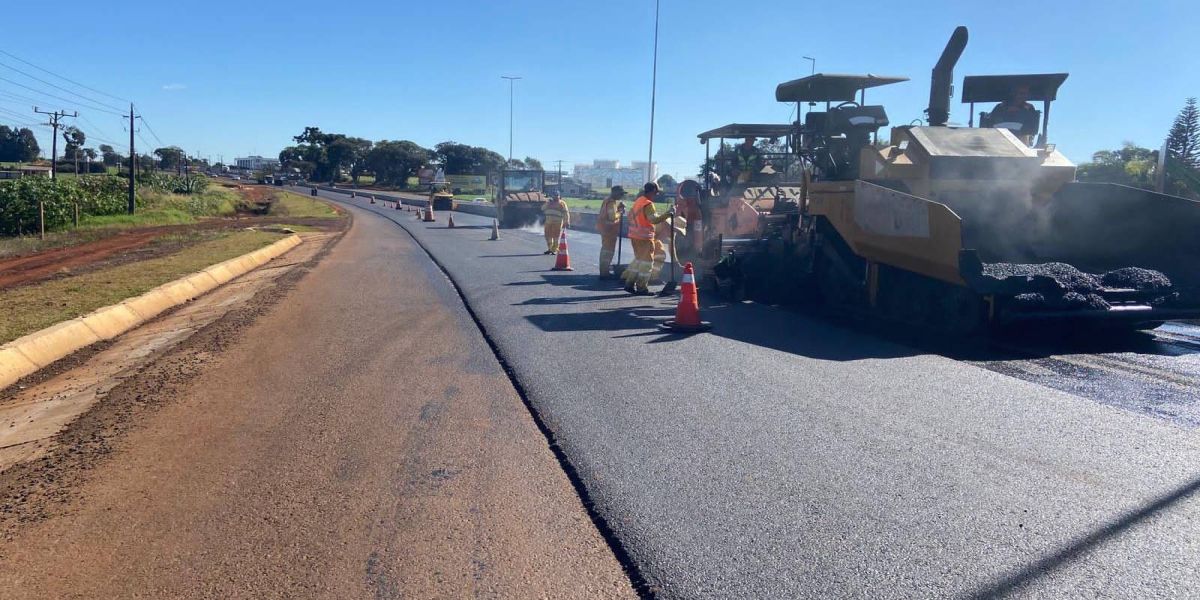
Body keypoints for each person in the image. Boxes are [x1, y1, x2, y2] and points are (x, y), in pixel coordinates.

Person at [622, 182, 674, 295]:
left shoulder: (639, 201)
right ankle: (642, 288)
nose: (656, 195)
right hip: (644, 238)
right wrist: (668, 214)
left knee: (638, 260)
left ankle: (629, 284)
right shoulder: (648, 204)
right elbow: (653, 220)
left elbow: (632, 215)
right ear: (652, 191)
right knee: (647, 263)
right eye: (656, 192)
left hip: (634, 236)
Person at [596, 186, 626, 278]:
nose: (621, 196)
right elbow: (612, 217)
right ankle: (604, 273)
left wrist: (618, 209)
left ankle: (604, 271)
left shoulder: (607, 200)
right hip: (609, 230)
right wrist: (620, 211)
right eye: (621, 194)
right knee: (607, 251)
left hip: (606, 229)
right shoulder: (610, 202)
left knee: (606, 250)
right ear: (615, 193)